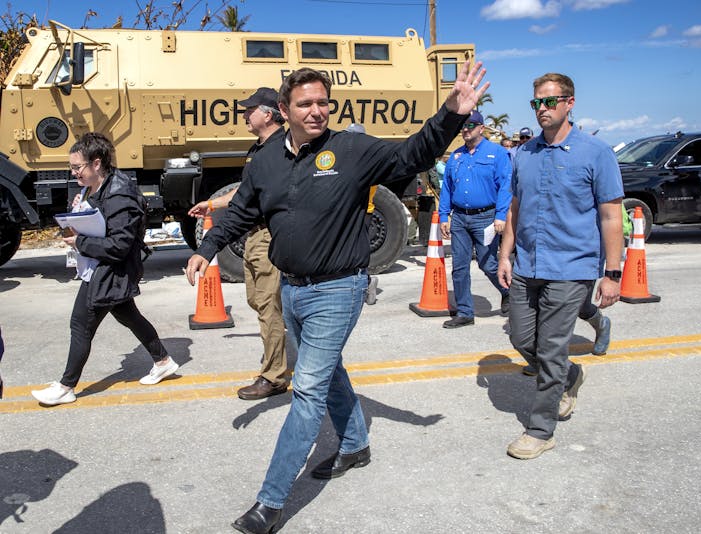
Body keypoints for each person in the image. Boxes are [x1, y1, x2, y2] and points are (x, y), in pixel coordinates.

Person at [186, 62, 488, 533]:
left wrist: (450, 113)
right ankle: (355, 445)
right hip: (291, 289)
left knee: (306, 390)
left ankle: (269, 503)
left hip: (338, 289)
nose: (316, 111)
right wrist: (205, 250)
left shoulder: (351, 149)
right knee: (329, 374)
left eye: (323, 102)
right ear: (283, 110)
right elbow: (241, 210)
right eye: (305, 104)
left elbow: (413, 154)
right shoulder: (264, 160)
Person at [498, 73, 624, 460]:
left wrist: (613, 273)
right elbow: (516, 208)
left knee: (551, 349)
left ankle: (541, 429)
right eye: (537, 102)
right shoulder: (525, 154)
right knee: (522, 339)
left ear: (570, 103)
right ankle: (570, 376)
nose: (542, 109)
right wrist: (505, 254)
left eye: (550, 101)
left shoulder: (596, 152)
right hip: (527, 265)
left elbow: (610, 216)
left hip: (572, 267)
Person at [31, 132, 177, 406]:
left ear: (96, 163)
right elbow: (98, 222)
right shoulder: (94, 186)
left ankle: (66, 386)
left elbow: (119, 245)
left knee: (80, 325)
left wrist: (80, 241)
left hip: (110, 270)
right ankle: (163, 360)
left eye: (78, 168)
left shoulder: (120, 194)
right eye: (72, 168)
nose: (74, 173)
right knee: (128, 315)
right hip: (100, 267)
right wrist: (77, 213)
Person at [188, 88, 289, 400]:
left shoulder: (282, 149)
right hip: (254, 236)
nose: (244, 114)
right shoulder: (258, 149)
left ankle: (274, 376)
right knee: (258, 301)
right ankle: (284, 345)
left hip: (270, 235)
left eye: (250, 110)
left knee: (268, 307)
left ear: (268, 114)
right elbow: (246, 191)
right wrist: (213, 204)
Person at [439, 109, 512, 328]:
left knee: (487, 262)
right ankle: (465, 312)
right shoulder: (456, 156)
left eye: (470, 125)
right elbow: (448, 188)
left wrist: (501, 216)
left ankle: (509, 292)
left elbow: (505, 186)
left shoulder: (496, 153)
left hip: (486, 218)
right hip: (460, 217)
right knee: (459, 267)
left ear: (481, 128)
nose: (466, 130)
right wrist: (444, 215)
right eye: (463, 126)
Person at [345, 122, 379, 305]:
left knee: (358, 252)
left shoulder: (366, 161)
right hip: (352, 212)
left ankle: (365, 283)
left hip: (362, 213)